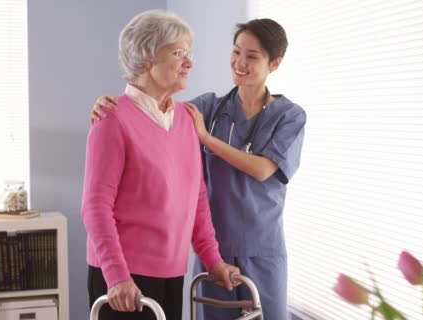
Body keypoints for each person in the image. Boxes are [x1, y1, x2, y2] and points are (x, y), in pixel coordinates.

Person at [91, 18, 306, 319]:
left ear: (275, 63)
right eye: (236, 52)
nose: (240, 62)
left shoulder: (286, 116)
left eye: (252, 56)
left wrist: (206, 138)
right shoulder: (204, 109)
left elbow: (255, 172)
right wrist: (107, 104)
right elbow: (146, 107)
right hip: (196, 255)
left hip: (258, 250)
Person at [81, 10, 240, 320]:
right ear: (146, 59)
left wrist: (213, 260)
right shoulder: (111, 119)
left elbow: (196, 199)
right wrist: (117, 277)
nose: (189, 62)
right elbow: (95, 207)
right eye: (178, 53)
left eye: (188, 53)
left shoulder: (186, 118)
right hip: (123, 280)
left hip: (171, 272)